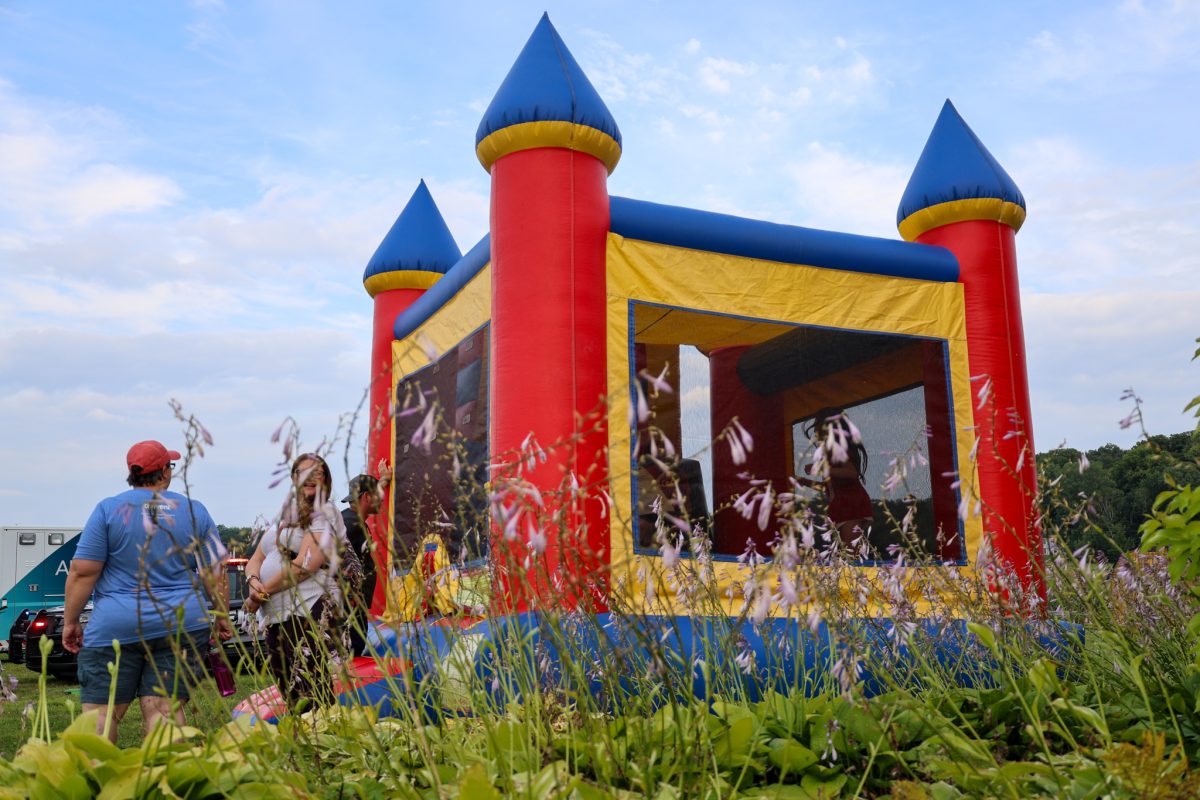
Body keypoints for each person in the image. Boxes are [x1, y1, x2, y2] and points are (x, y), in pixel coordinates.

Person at [63, 440, 232, 744]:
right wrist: (221, 616)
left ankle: (96, 774)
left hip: (116, 625)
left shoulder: (108, 509)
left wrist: (71, 621)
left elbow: (82, 572)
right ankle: (168, 773)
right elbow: (214, 571)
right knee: (165, 710)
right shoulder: (194, 511)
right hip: (181, 624)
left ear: (133, 473)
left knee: (101, 714)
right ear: (165, 471)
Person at [242, 453, 351, 710]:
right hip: (278, 615)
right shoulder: (285, 515)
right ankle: (302, 733)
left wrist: (260, 594)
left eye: (317, 472)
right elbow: (256, 558)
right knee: (291, 693)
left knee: (313, 692)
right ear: (293, 478)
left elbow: (306, 565)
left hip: (308, 610)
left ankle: (325, 733)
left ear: (326, 479)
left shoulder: (325, 512)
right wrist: (254, 582)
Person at [802, 408, 873, 546]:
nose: (815, 430)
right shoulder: (828, 455)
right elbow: (829, 489)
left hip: (851, 505)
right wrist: (803, 481)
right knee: (843, 553)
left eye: (818, 425)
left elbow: (852, 473)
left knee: (850, 552)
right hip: (839, 507)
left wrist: (821, 468)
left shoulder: (839, 449)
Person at [341, 471, 386, 656]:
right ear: (367, 497)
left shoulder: (348, 519)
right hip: (348, 608)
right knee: (352, 653)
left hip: (350, 606)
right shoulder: (351, 526)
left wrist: (383, 480)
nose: (382, 499)